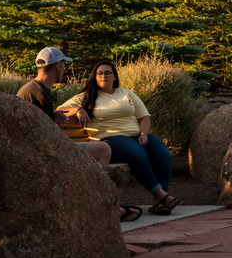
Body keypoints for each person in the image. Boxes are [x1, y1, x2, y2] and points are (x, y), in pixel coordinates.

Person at [17, 47, 142, 222]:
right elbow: (42, 135)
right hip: (44, 153)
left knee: (102, 149)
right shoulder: (38, 93)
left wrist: (53, 115)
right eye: (64, 66)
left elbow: (38, 122)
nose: (65, 70)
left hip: (42, 148)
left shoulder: (34, 89)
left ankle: (103, 203)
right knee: (103, 150)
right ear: (59, 66)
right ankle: (105, 205)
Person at [60, 61, 181, 216]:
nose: (104, 76)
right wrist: (77, 109)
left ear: (114, 77)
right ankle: (161, 195)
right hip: (109, 139)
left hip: (136, 136)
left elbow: (144, 116)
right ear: (95, 77)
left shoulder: (126, 93)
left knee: (164, 155)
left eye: (107, 73)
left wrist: (144, 134)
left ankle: (159, 203)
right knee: (138, 154)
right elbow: (60, 110)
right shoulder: (85, 97)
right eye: (100, 73)